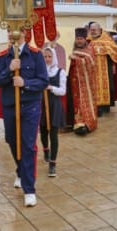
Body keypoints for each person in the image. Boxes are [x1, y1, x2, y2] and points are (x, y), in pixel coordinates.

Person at [0, 27, 48, 207]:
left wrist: (26, 83)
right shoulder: (3, 56)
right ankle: (20, 170)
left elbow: (43, 81)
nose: (12, 34)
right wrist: (9, 70)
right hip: (11, 106)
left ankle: (29, 189)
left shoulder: (35, 54)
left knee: (27, 145)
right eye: (9, 30)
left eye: (16, 30)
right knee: (11, 140)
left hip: (30, 106)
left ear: (24, 33)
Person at [88, 22, 117, 116]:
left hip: (105, 69)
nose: (92, 32)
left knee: (108, 87)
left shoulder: (107, 40)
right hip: (92, 70)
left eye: (94, 30)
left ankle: (105, 107)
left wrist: (113, 65)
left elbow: (114, 52)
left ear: (100, 30)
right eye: (91, 30)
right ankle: (95, 107)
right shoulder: (88, 41)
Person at [40, 46, 66, 177]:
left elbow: (63, 90)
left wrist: (50, 87)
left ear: (54, 57)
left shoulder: (60, 71)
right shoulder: (40, 71)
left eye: (49, 56)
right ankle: (46, 150)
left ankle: (53, 163)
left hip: (54, 104)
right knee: (43, 130)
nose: (47, 59)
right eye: (45, 56)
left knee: (54, 134)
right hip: (41, 104)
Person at [67, 27, 97, 135]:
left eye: (81, 39)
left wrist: (76, 59)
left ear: (85, 39)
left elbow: (90, 63)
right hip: (72, 82)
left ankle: (85, 123)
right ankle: (73, 123)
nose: (79, 41)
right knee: (73, 102)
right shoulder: (71, 49)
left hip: (85, 85)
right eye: (77, 39)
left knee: (81, 103)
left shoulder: (89, 50)